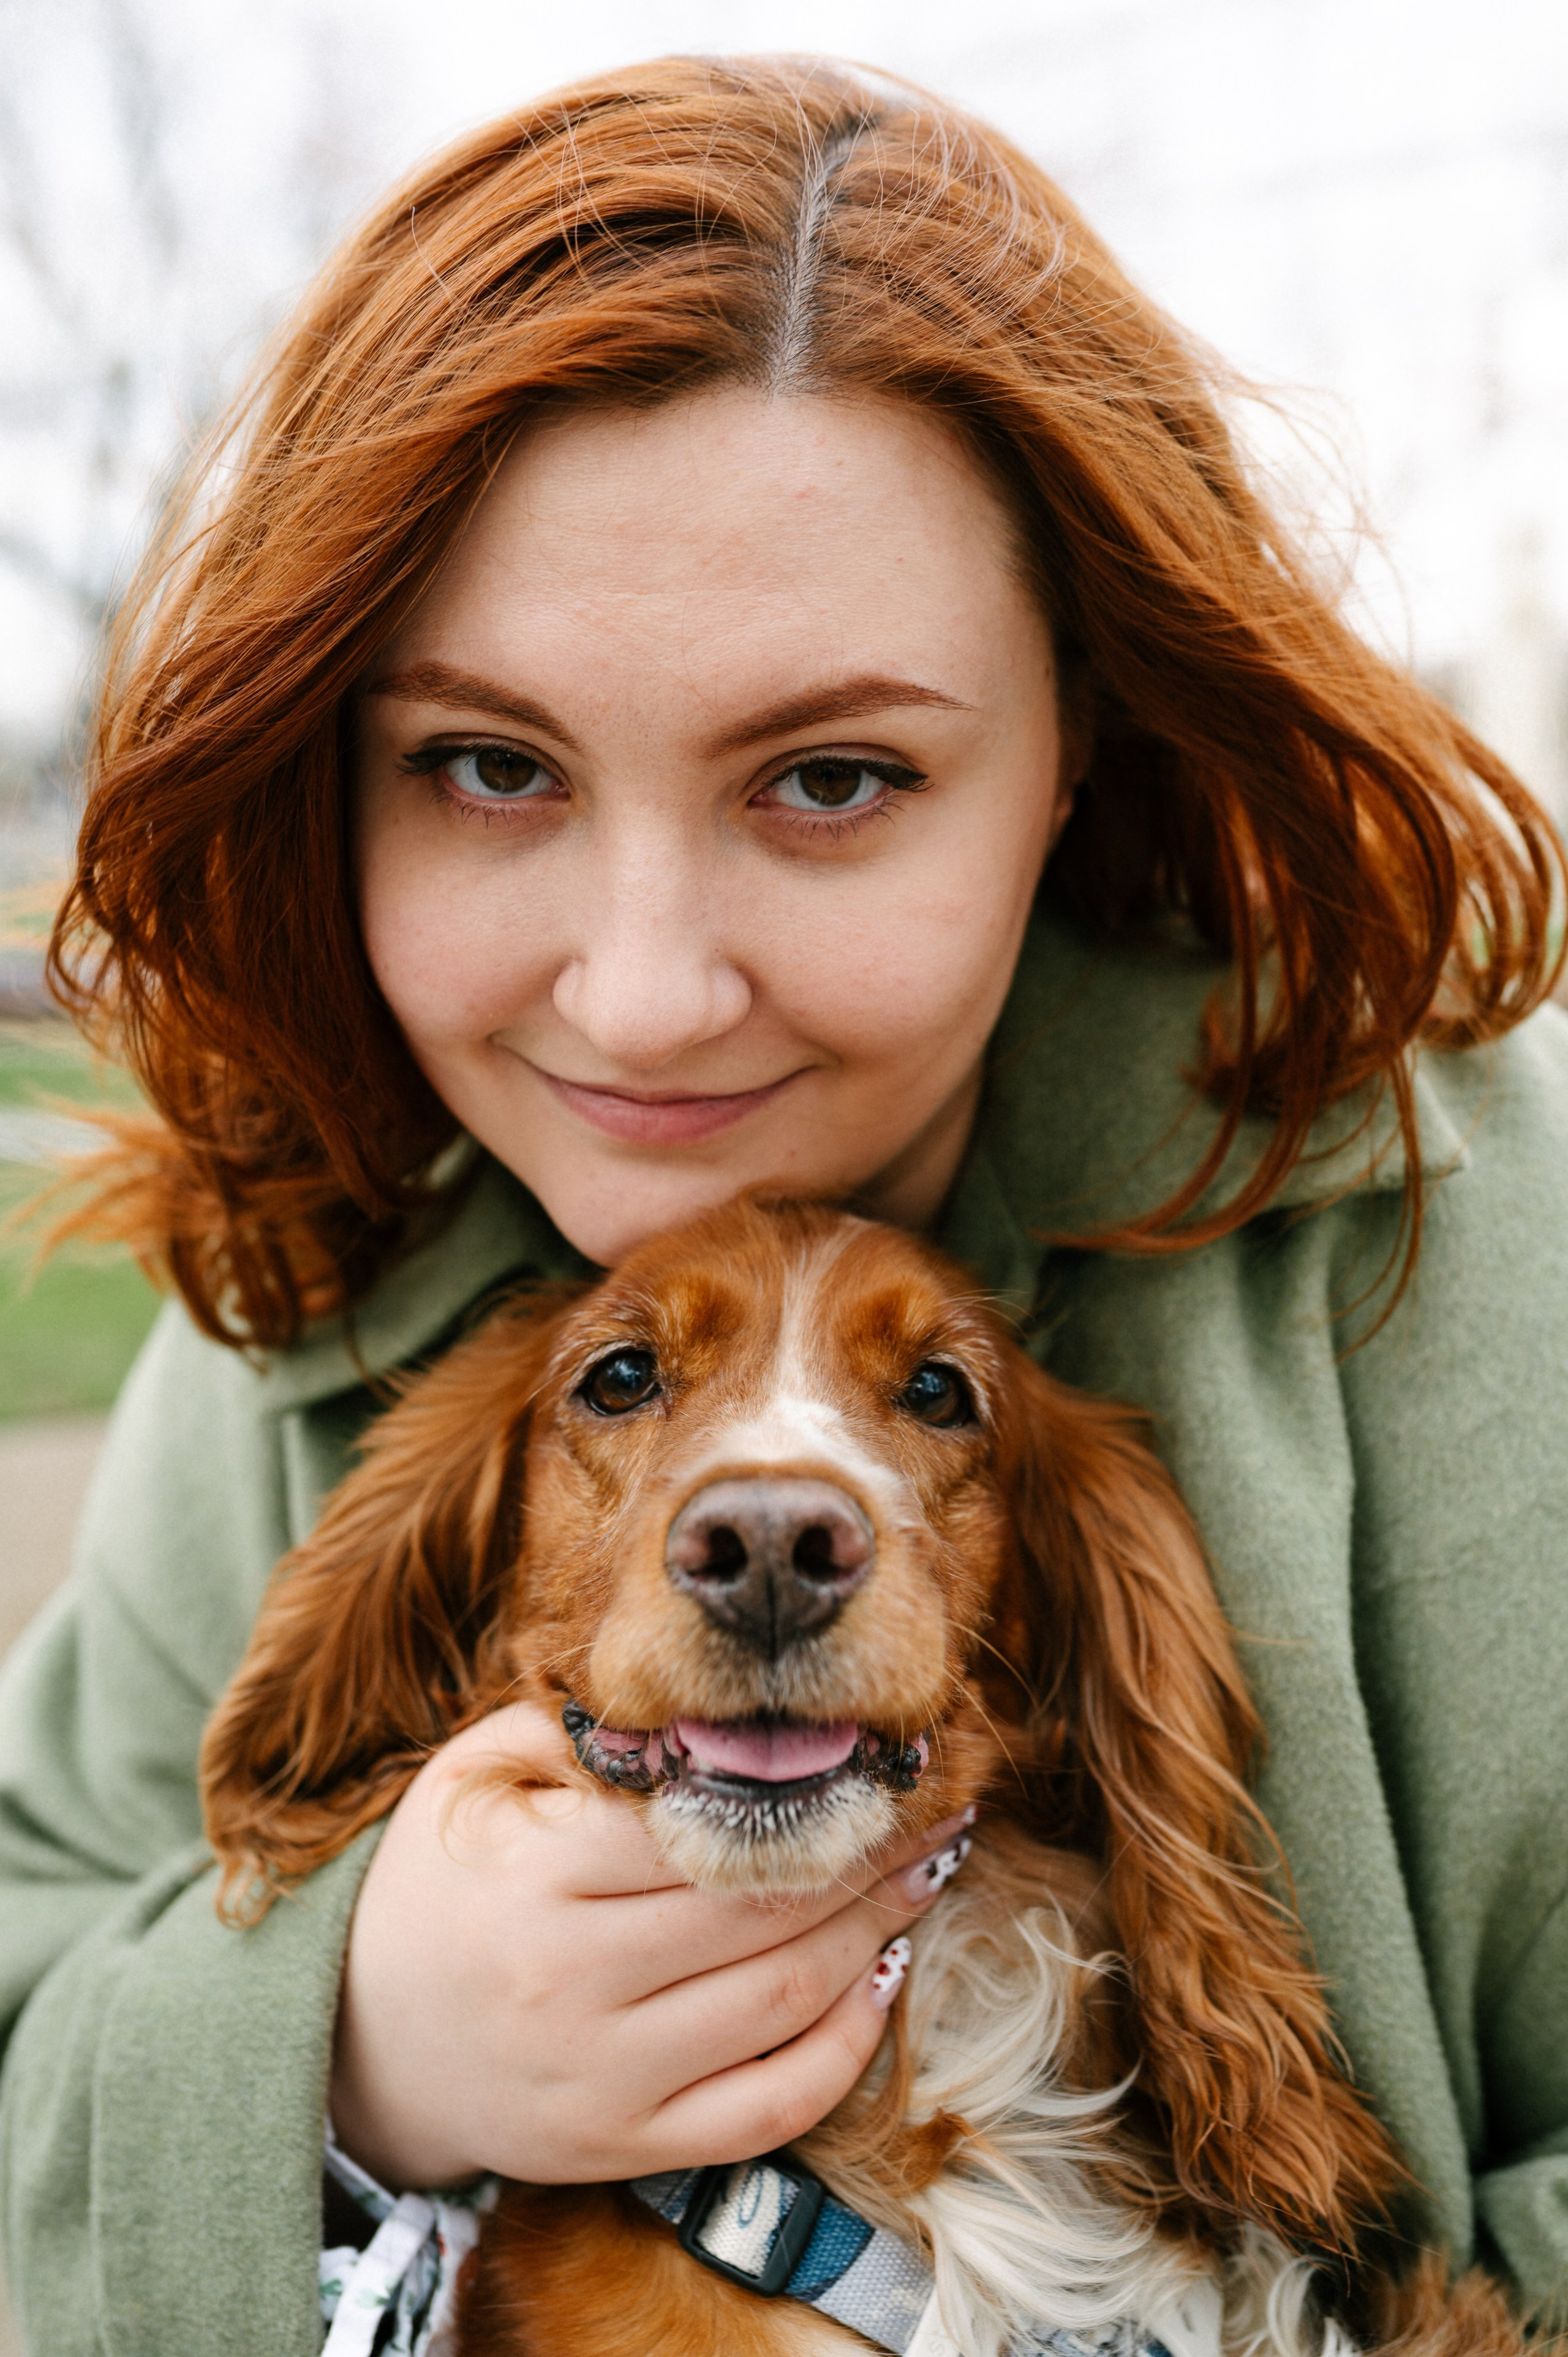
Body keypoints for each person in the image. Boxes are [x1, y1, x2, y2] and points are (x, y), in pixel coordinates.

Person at [2, 51, 1565, 2355]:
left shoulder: (1474, 1258)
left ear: (1073, 761)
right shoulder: (319, 1299)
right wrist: (355, 2049)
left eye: (832, 776)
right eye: (487, 765)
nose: (639, 994)